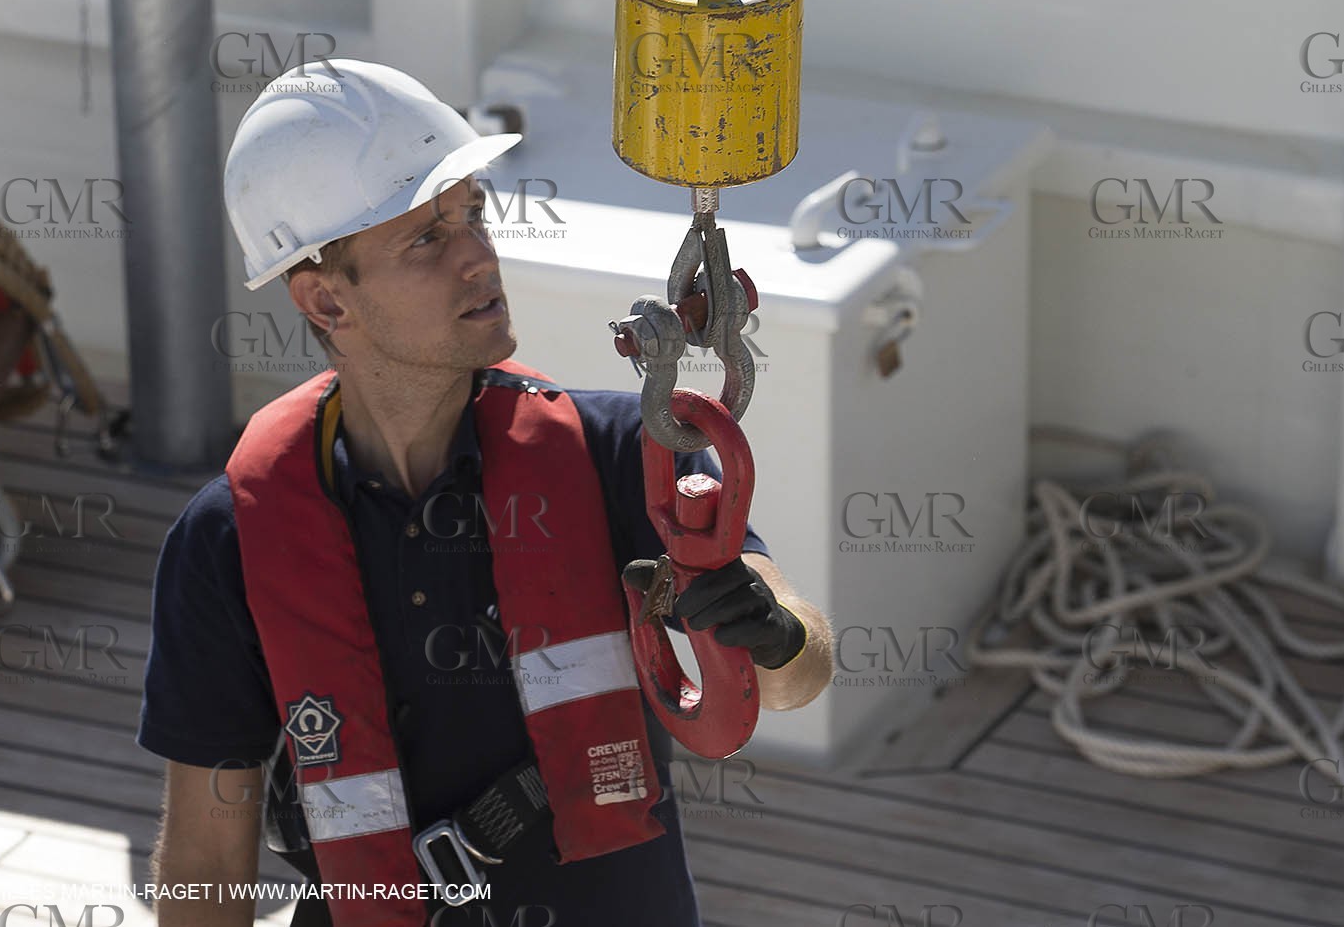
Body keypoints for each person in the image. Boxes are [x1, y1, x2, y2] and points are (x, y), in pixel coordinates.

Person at [136, 59, 832, 927]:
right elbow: (205, 858)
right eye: (427, 238)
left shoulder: (619, 452)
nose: (477, 256)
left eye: (473, 213)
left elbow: (804, 670)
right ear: (325, 300)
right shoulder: (231, 538)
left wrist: (770, 629)